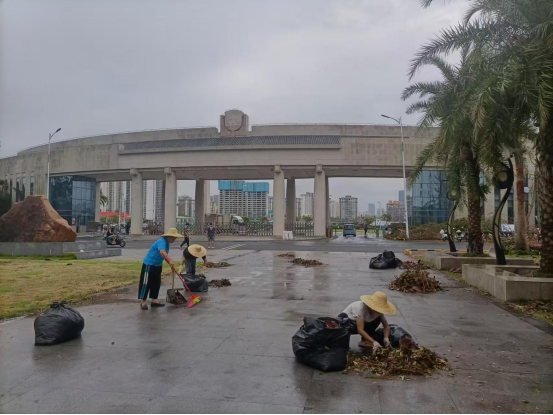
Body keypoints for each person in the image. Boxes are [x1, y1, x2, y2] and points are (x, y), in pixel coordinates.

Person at [139, 228, 182, 310]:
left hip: (158, 265)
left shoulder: (167, 243)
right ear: (169, 236)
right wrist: (170, 260)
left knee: (156, 283)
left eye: (175, 237)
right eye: (173, 237)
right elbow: (162, 252)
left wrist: (170, 264)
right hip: (149, 264)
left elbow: (164, 256)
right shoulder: (162, 241)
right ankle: (143, 301)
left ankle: (154, 300)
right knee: (146, 283)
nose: (174, 239)